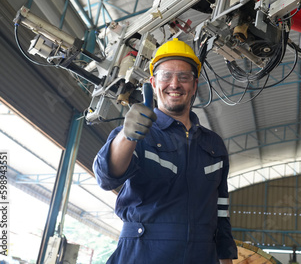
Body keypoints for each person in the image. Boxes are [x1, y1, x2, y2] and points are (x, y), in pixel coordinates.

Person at [93, 38, 237, 263]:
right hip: (142, 254)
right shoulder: (140, 134)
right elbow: (106, 177)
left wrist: (226, 259)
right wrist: (128, 135)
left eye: (184, 77)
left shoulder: (213, 145)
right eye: (166, 75)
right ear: (153, 82)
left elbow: (221, 212)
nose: (175, 84)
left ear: (195, 85)